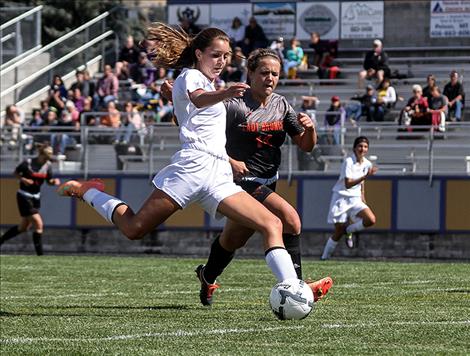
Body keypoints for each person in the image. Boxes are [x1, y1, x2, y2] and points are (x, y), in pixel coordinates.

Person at [57, 24, 309, 304]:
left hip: (219, 174)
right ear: (198, 54)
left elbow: (194, 114)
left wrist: (222, 144)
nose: (222, 61)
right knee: (134, 229)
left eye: (225, 56)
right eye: (216, 55)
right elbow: (197, 100)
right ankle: (87, 191)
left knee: (272, 223)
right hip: (190, 169)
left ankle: (292, 290)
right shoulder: (189, 76)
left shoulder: (209, 84)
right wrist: (224, 94)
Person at [163, 48, 331, 305]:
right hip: (237, 182)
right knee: (290, 220)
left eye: (275, 73)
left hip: (267, 182)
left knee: (232, 240)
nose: (270, 78)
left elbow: (306, 145)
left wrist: (310, 129)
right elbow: (192, 124)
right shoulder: (233, 103)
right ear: (250, 73)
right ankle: (297, 287)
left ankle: (207, 276)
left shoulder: (281, 105)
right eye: (264, 72)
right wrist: (229, 161)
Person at [321, 136, 377, 260]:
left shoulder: (367, 164)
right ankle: (324, 257)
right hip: (341, 197)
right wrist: (365, 176)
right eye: (360, 146)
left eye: (365, 146)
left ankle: (349, 230)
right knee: (338, 231)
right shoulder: (348, 162)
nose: (363, 149)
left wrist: (363, 196)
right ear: (354, 148)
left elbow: (362, 183)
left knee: (371, 219)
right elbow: (348, 183)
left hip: (355, 198)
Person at [0, 144, 60, 255]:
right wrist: (23, 180)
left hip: (36, 197)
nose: (47, 159)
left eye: (49, 157)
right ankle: (40, 255)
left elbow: (48, 181)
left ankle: (1, 240)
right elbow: (16, 173)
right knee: (38, 224)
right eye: (46, 156)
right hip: (24, 196)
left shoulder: (48, 165)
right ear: (40, 154)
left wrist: (53, 182)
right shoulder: (28, 163)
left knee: (23, 227)